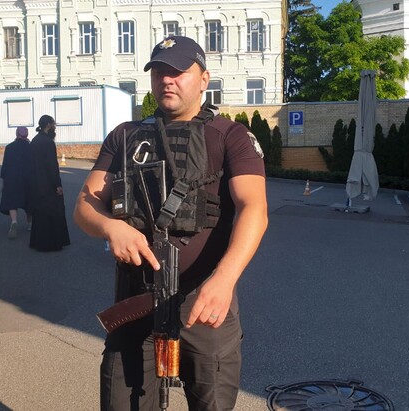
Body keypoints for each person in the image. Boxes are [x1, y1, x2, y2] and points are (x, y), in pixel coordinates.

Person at [73, 35, 268, 410]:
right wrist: (111, 227)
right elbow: (85, 205)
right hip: (136, 299)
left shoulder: (232, 136)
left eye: (178, 71)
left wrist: (224, 280)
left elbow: (254, 209)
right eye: (159, 71)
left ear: (204, 79)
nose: (167, 79)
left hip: (205, 301)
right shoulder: (125, 136)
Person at [29, 115, 70, 251]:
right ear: (48, 125)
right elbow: (52, 166)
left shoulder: (34, 141)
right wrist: (57, 185)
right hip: (48, 184)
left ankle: (38, 242)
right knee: (53, 212)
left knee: (40, 213)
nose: (54, 127)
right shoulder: (48, 142)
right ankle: (52, 242)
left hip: (36, 183)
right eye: (53, 124)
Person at [0, 126, 32, 239]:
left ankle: (14, 221)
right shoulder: (31, 147)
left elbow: (5, 165)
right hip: (27, 178)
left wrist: (3, 179)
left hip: (11, 177)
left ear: (17, 134)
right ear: (26, 135)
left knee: (12, 200)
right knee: (29, 201)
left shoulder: (9, 147)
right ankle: (29, 224)